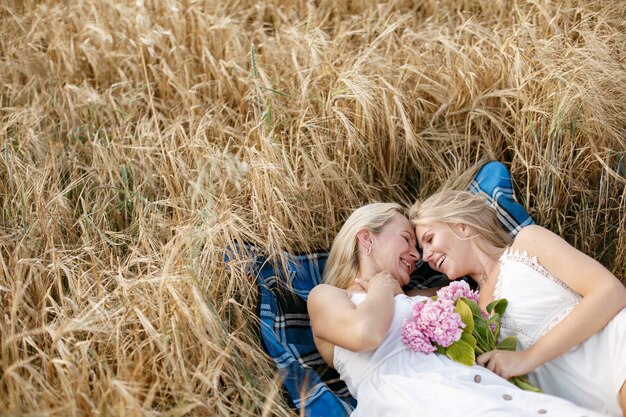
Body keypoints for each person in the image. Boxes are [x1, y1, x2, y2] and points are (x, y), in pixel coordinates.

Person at [307, 202, 606, 416]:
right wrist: (383, 284)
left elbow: (485, 284)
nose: (417, 256)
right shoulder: (327, 297)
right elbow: (366, 333)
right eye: (407, 240)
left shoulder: (418, 296)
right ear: (366, 238)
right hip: (413, 400)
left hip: (480, 388)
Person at [409, 189, 626, 417]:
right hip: (578, 403)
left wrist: (528, 358)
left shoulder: (527, 244)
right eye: (422, 250)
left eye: (430, 239)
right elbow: (406, 300)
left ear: (461, 225)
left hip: (613, 352)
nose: (426, 256)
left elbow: (610, 292)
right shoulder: (466, 309)